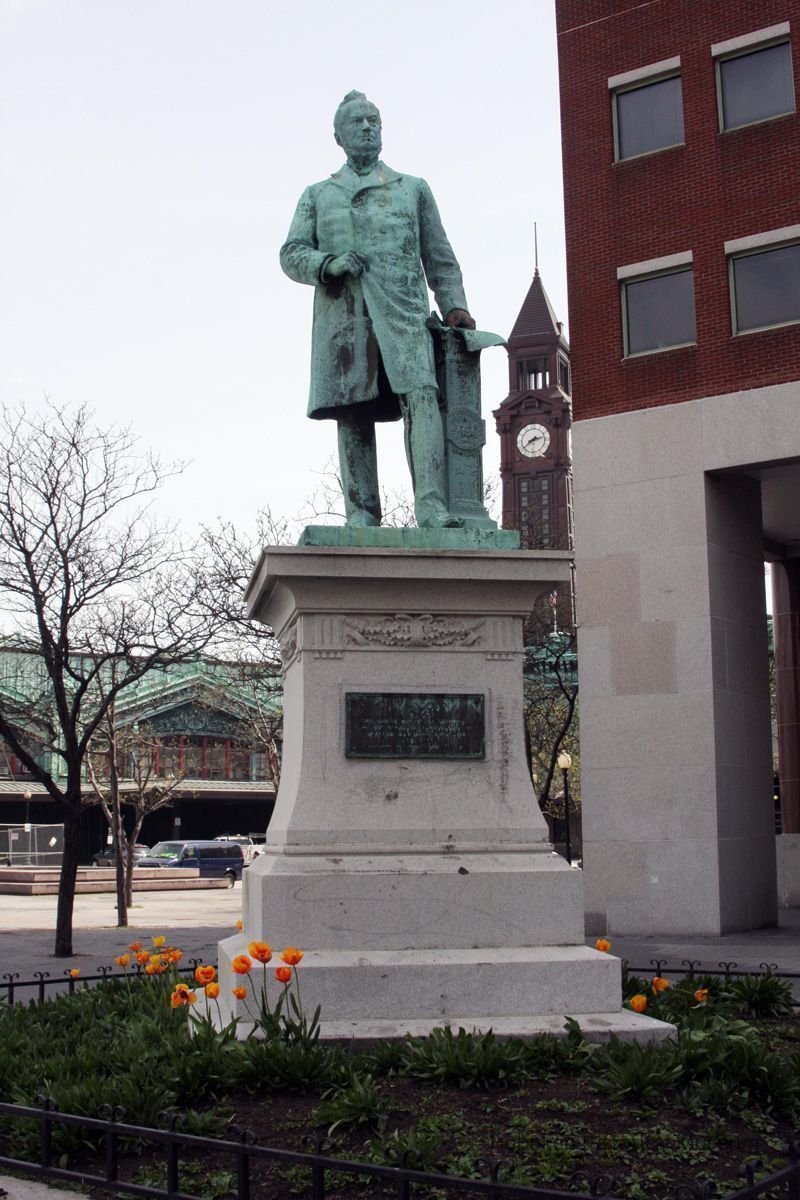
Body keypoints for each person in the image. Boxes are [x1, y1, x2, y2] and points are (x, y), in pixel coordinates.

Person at [280, 90, 476, 529]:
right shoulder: (318, 194)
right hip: (344, 319)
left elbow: (439, 257)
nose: (367, 127)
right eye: (357, 122)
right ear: (338, 136)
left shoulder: (412, 188)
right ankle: (362, 513)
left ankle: (432, 507)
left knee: (422, 396)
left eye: (374, 121)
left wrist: (455, 306)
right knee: (352, 411)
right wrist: (327, 264)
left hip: (404, 313)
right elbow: (291, 253)